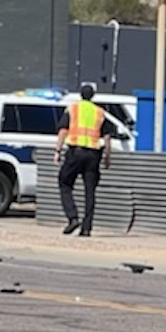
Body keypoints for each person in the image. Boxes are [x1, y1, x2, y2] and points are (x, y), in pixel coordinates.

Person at [57, 83, 125, 236]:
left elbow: (63, 131)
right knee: (90, 191)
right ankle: (86, 228)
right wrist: (108, 156)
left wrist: (58, 150)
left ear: (80, 94)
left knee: (64, 183)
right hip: (93, 155)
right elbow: (107, 136)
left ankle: (72, 217)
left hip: (75, 152)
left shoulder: (72, 109)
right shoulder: (100, 112)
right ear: (93, 95)